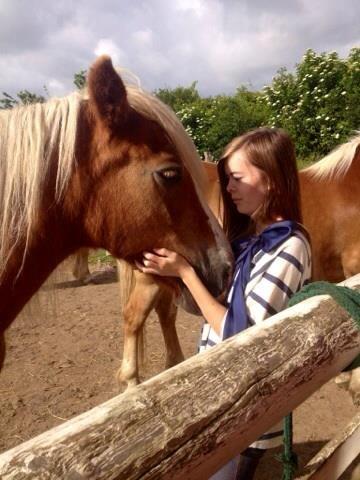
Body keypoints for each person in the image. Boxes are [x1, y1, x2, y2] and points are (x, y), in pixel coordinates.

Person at [137, 127, 312, 480]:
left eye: (236, 178)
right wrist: (169, 272)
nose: (228, 188)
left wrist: (186, 273)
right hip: (224, 393)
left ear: (272, 181)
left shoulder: (289, 246)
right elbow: (214, 309)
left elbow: (241, 335)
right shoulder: (254, 240)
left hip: (246, 408)